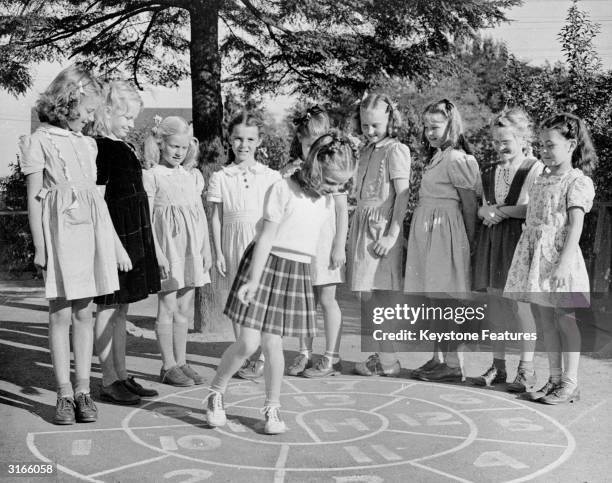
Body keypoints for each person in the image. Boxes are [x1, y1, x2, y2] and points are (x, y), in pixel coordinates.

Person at [205, 132, 357, 434]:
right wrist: (252, 280)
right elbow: (265, 239)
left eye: (341, 184)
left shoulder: (325, 200)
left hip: (294, 271)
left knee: (274, 344)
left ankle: (272, 408)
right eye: (332, 182)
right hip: (264, 264)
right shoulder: (282, 189)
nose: (337, 190)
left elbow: (309, 243)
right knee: (248, 343)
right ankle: (216, 393)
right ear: (315, 167)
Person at [21, 64, 131, 424]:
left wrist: (115, 246)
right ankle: (64, 393)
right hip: (59, 236)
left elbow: (97, 203)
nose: (88, 118)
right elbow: (35, 198)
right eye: (85, 110)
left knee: (85, 312)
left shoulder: (87, 145)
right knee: (61, 314)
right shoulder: (39, 141)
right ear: (67, 101)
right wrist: (40, 247)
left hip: (90, 236)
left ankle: (84, 390)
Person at [505, 113, 597, 404]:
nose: (544, 150)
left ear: (571, 145)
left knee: (565, 320)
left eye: (551, 145)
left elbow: (575, 225)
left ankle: (570, 383)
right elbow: (533, 216)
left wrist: (563, 263)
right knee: (545, 318)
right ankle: (554, 379)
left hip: (559, 259)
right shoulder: (541, 178)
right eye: (541, 145)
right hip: (536, 258)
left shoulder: (576, 181)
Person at [91, 80, 161, 405]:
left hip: (132, 236)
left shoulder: (124, 146)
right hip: (114, 238)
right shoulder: (100, 147)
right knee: (107, 307)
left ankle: (121, 374)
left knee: (122, 310)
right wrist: (115, 245)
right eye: (127, 117)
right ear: (107, 111)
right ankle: (107, 380)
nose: (131, 124)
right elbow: (99, 202)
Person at [404, 99, 481, 383]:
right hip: (428, 232)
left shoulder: (457, 159)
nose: (429, 132)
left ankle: (453, 364)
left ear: (452, 125)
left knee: (446, 299)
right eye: (426, 127)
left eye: (435, 126)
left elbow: (470, 206)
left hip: (446, 233)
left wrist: (470, 243)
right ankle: (437, 358)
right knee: (432, 296)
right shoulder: (437, 156)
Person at [472, 108, 543, 392]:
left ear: (524, 138)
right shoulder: (489, 170)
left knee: (520, 305)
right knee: (496, 305)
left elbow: (533, 208)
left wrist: (501, 210)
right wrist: (485, 211)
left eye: (506, 141)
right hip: (493, 240)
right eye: (496, 141)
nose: (500, 147)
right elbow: (481, 205)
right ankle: (498, 365)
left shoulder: (534, 167)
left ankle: (526, 369)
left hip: (518, 240)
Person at [207, 111, 280, 379]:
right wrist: (218, 253)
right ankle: (244, 354)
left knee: (260, 299)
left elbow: (277, 215)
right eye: (238, 139)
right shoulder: (222, 177)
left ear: (259, 141)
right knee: (238, 300)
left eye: (250, 139)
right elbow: (216, 217)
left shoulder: (271, 176)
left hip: (260, 240)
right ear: (230, 140)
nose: (243, 145)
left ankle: (259, 355)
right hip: (232, 241)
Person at [143, 116, 212, 387]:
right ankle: (168, 365)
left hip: (191, 248)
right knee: (168, 306)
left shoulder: (193, 176)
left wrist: (206, 247)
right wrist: (157, 252)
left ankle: (182, 361)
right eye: (173, 146)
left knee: (185, 307)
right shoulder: (151, 175)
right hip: (168, 248)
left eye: (183, 148)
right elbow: (148, 218)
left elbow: (200, 214)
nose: (178, 152)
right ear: (161, 144)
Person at [281, 106, 350, 378]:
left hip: (325, 241)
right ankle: (304, 352)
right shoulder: (294, 169)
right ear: (300, 140)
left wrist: (338, 245)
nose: (313, 148)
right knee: (304, 302)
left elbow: (342, 210)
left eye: (319, 142)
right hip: (301, 241)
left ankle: (332, 355)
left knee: (327, 298)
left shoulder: (335, 166)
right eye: (308, 142)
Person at [347, 93, 411, 377]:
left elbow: (402, 196)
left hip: (380, 229)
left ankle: (388, 361)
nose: (369, 131)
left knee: (378, 296)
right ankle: (384, 355)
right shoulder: (366, 150)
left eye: (375, 125)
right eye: (364, 125)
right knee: (366, 294)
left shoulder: (395, 150)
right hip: (362, 225)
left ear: (390, 120)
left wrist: (392, 235)